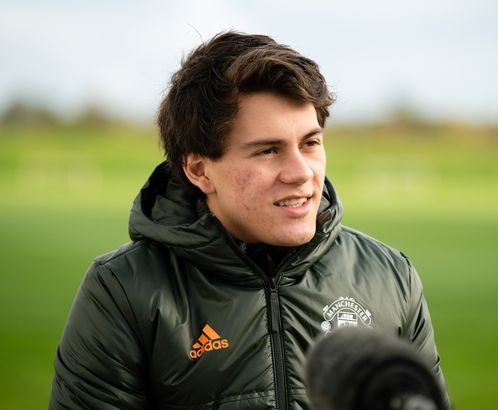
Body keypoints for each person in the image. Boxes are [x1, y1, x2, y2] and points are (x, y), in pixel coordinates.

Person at [50, 31, 449, 409]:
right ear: (199, 170)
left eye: (310, 143)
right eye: (268, 151)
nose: (302, 172)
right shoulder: (124, 290)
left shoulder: (390, 277)